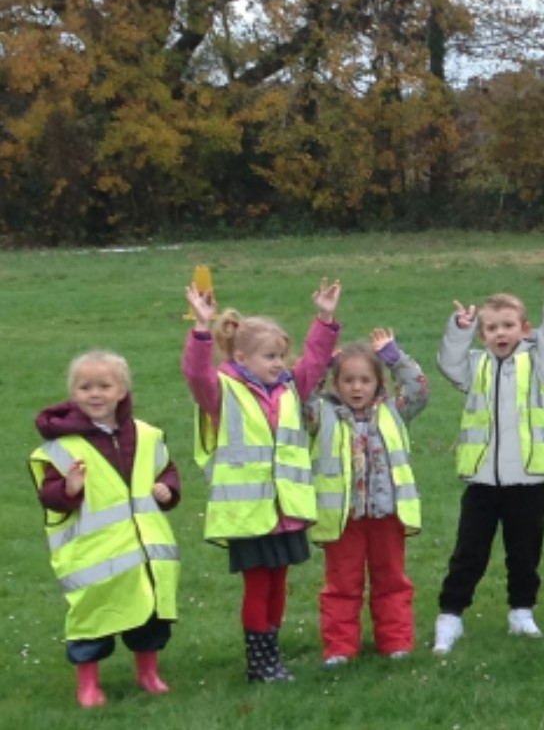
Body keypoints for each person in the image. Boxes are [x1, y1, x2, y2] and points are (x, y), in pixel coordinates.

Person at [184, 278, 340, 681]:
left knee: (278, 584)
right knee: (258, 587)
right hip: (248, 514)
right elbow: (196, 376)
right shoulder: (223, 391)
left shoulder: (290, 388)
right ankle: (260, 664)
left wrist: (324, 318)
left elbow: (314, 363)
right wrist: (201, 328)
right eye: (270, 356)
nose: (278, 364)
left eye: (281, 356)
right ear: (239, 356)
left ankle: (272, 657)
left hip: (284, 509)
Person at [432, 258, 544, 653]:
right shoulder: (474, 368)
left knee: (525, 552)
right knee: (468, 553)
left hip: (528, 481)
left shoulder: (540, 365)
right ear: (482, 335)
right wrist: (458, 331)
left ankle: (521, 611)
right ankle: (450, 615)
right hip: (481, 482)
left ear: (525, 330)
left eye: (509, 325)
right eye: (491, 328)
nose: (500, 333)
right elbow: (448, 363)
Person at [30, 351, 182, 707]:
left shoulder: (146, 435)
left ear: (122, 390)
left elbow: (166, 470)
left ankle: (148, 673)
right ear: (73, 393)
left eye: (104, 385)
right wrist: (67, 489)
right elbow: (48, 496)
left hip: (146, 552)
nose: (94, 394)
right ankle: (88, 684)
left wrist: (168, 489)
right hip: (94, 558)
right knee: (91, 621)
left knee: (150, 617)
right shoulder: (62, 447)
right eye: (85, 387)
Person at [309, 329, 429, 665]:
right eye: (347, 380)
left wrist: (394, 356)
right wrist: (322, 361)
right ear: (336, 383)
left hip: (388, 515)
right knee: (341, 586)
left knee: (391, 581)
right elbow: (300, 391)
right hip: (342, 518)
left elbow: (419, 389)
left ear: (378, 383)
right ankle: (340, 648)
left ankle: (395, 641)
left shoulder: (393, 411)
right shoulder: (321, 414)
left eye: (364, 380)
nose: (356, 387)